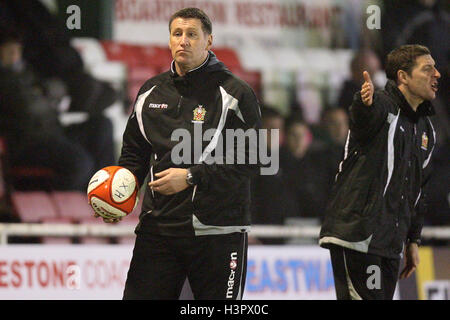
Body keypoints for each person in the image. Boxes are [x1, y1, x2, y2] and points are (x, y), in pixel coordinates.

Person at [95, 8, 261, 300]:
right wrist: (120, 197)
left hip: (218, 232)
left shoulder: (236, 94)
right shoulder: (150, 93)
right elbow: (134, 156)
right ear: (170, 40)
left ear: (209, 41)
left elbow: (249, 160)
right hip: (158, 229)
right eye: (177, 34)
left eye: (192, 34)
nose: (183, 41)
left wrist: (191, 176)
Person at [319, 44, 440, 300]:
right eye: (427, 69)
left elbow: (418, 192)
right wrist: (363, 103)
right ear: (403, 76)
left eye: (436, 68)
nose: (437, 74)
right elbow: (364, 117)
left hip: (389, 245)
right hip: (358, 236)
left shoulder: (427, 130)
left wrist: (412, 241)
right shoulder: (382, 105)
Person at [0, 28, 115, 191]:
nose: (15, 54)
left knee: (102, 125)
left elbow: (59, 89)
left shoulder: (26, 72)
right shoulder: (6, 78)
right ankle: (57, 201)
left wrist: (43, 95)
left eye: (17, 49)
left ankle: (107, 191)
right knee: (80, 163)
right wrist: (46, 96)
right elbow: (27, 107)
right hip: (27, 143)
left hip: (53, 133)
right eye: (9, 50)